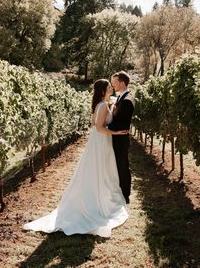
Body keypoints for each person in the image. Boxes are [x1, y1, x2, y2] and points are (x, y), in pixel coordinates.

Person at [23, 79, 128, 238]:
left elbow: (95, 123)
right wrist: (116, 133)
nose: (111, 87)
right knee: (98, 171)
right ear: (103, 90)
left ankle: (99, 195)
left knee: (100, 171)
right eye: (108, 86)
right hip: (101, 142)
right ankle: (95, 201)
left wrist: (111, 108)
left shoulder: (102, 104)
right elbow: (99, 128)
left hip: (100, 143)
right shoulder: (101, 105)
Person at [108, 71, 134, 204]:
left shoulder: (127, 101)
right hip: (117, 138)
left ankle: (125, 195)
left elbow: (120, 124)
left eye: (114, 82)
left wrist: (105, 128)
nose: (112, 85)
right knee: (119, 166)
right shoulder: (121, 98)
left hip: (120, 139)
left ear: (122, 83)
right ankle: (120, 192)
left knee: (122, 166)